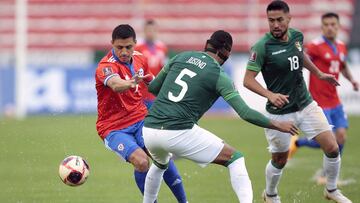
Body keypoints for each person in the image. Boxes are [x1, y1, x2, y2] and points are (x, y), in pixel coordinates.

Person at [142, 30, 299, 203]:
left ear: (208, 44)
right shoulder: (219, 75)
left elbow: (153, 88)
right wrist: (278, 124)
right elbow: (245, 112)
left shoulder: (181, 57)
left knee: (160, 164)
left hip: (149, 130)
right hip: (178, 131)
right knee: (235, 158)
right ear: (224, 51)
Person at [243, 1, 352, 203]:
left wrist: (318, 73)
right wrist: (269, 95)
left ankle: (331, 189)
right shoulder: (262, 46)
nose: (275, 25)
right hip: (279, 113)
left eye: (279, 20)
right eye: (271, 21)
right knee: (280, 159)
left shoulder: (297, 36)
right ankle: (271, 194)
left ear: (289, 19)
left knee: (332, 147)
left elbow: (300, 55)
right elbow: (247, 80)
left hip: (306, 104)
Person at [95, 24, 188, 203]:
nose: (124, 51)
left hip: (140, 119)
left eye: (128, 47)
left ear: (135, 44)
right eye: (119, 47)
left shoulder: (140, 59)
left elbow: (152, 82)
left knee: (161, 156)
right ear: (112, 44)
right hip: (114, 128)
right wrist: (130, 83)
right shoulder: (105, 66)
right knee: (141, 161)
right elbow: (115, 84)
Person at [289, 12, 359, 185]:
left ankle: (328, 175)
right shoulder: (315, 46)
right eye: (326, 24)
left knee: (341, 137)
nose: (330, 27)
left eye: (333, 24)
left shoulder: (341, 46)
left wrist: (352, 80)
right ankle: (299, 142)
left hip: (335, 101)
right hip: (319, 102)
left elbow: (342, 65)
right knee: (327, 141)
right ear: (322, 27)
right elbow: (300, 61)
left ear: (338, 26)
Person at [135, 19, 168, 109]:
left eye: (153, 30)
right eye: (148, 30)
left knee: (152, 120)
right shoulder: (137, 47)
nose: (150, 33)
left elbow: (164, 68)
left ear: (156, 31)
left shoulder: (162, 47)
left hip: (154, 91)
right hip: (139, 91)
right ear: (144, 31)